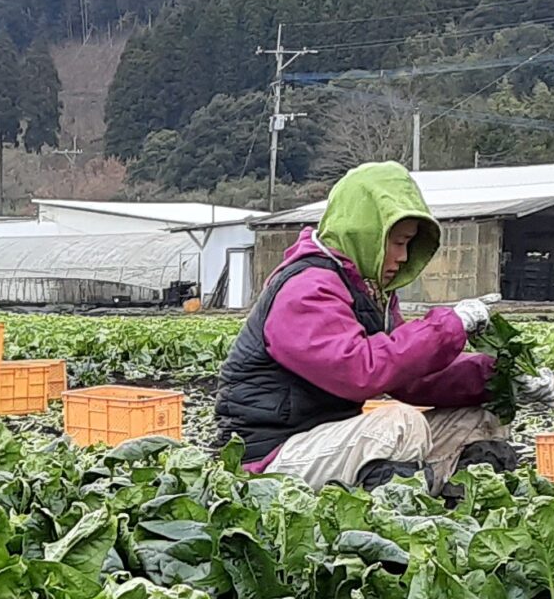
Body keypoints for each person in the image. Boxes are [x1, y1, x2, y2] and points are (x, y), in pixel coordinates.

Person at [214, 161, 520, 490]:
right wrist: (449, 327)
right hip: (268, 456)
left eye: (409, 244)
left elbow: (409, 377)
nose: (403, 257)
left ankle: (453, 500)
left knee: (480, 419)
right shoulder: (306, 288)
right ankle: (396, 508)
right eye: (398, 242)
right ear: (366, 233)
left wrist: (498, 377)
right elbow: (359, 371)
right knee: (401, 425)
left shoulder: (368, 291)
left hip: (327, 442)